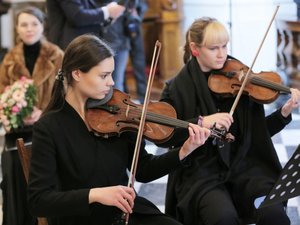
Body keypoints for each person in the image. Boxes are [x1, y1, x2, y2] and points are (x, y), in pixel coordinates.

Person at [27, 34, 211, 225]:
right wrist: (95, 194)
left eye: (111, 74)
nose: (112, 82)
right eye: (103, 75)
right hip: (82, 218)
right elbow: (39, 201)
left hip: (125, 213)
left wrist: (184, 150)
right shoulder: (49, 127)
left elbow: (144, 169)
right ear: (77, 74)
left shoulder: (118, 115)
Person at [159, 17, 300, 225]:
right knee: (223, 218)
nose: (222, 54)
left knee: (274, 215)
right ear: (195, 48)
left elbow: (256, 134)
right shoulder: (176, 88)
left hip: (247, 167)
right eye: (213, 48)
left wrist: (283, 114)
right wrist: (201, 122)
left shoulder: (240, 78)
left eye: (224, 46)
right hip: (202, 173)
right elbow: (164, 135)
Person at [0, 6, 64, 225]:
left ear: (43, 25)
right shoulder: (9, 60)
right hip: (17, 131)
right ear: (17, 28)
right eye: (24, 24)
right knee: (13, 170)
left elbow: (66, 94)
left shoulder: (57, 55)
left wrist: (42, 113)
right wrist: (15, 112)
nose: (29, 29)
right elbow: (1, 95)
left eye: (34, 24)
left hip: (48, 128)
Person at [46, 0, 130, 93]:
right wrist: (107, 11)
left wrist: (108, 16)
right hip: (73, 47)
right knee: (72, 90)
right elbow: (77, 16)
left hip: (85, 45)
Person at [124, 0, 148, 103]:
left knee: (139, 66)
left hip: (134, 27)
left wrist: (137, 14)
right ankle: (124, 100)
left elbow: (144, 5)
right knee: (119, 70)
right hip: (119, 31)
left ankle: (143, 100)